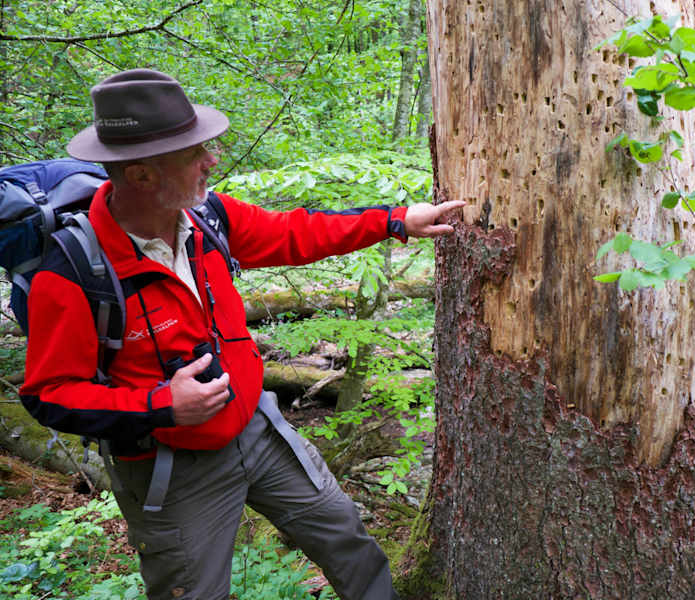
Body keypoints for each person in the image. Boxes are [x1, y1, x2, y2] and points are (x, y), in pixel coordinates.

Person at [19, 68, 464, 600]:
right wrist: (161, 406)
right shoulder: (72, 272)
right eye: (194, 153)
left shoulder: (208, 217)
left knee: (348, 541)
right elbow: (49, 394)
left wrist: (395, 220)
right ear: (139, 175)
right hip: (170, 467)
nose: (212, 160)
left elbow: (296, 233)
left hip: (258, 427)